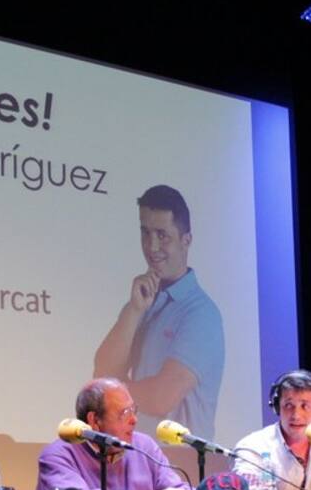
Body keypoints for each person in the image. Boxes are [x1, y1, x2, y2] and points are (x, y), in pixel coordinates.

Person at [93, 184, 224, 440]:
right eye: (145, 233)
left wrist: (110, 393)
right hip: (139, 452)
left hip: (182, 460)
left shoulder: (202, 314)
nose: (152, 247)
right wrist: (134, 310)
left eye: (162, 235)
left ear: (186, 240)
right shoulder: (143, 300)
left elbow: (160, 399)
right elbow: (102, 371)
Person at [37, 378, 191, 490]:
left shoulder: (144, 446)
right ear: (94, 420)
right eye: (125, 413)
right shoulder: (58, 455)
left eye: (133, 410)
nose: (134, 419)